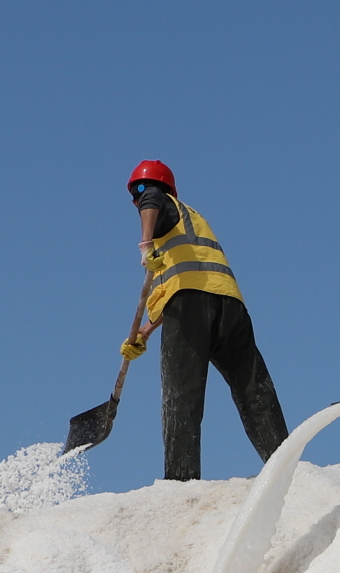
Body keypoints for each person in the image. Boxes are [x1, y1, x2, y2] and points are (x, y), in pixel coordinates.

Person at [121, 160, 290, 480]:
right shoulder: (192, 220)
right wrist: (145, 330)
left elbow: (151, 197)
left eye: (138, 192)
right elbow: (189, 281)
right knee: (254, 390)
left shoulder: (158, 201)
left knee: (180, 397)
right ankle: (285, 465)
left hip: (192, 309)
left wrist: (145, 245)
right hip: (230, 306)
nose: (138, 198)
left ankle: (180, 482)